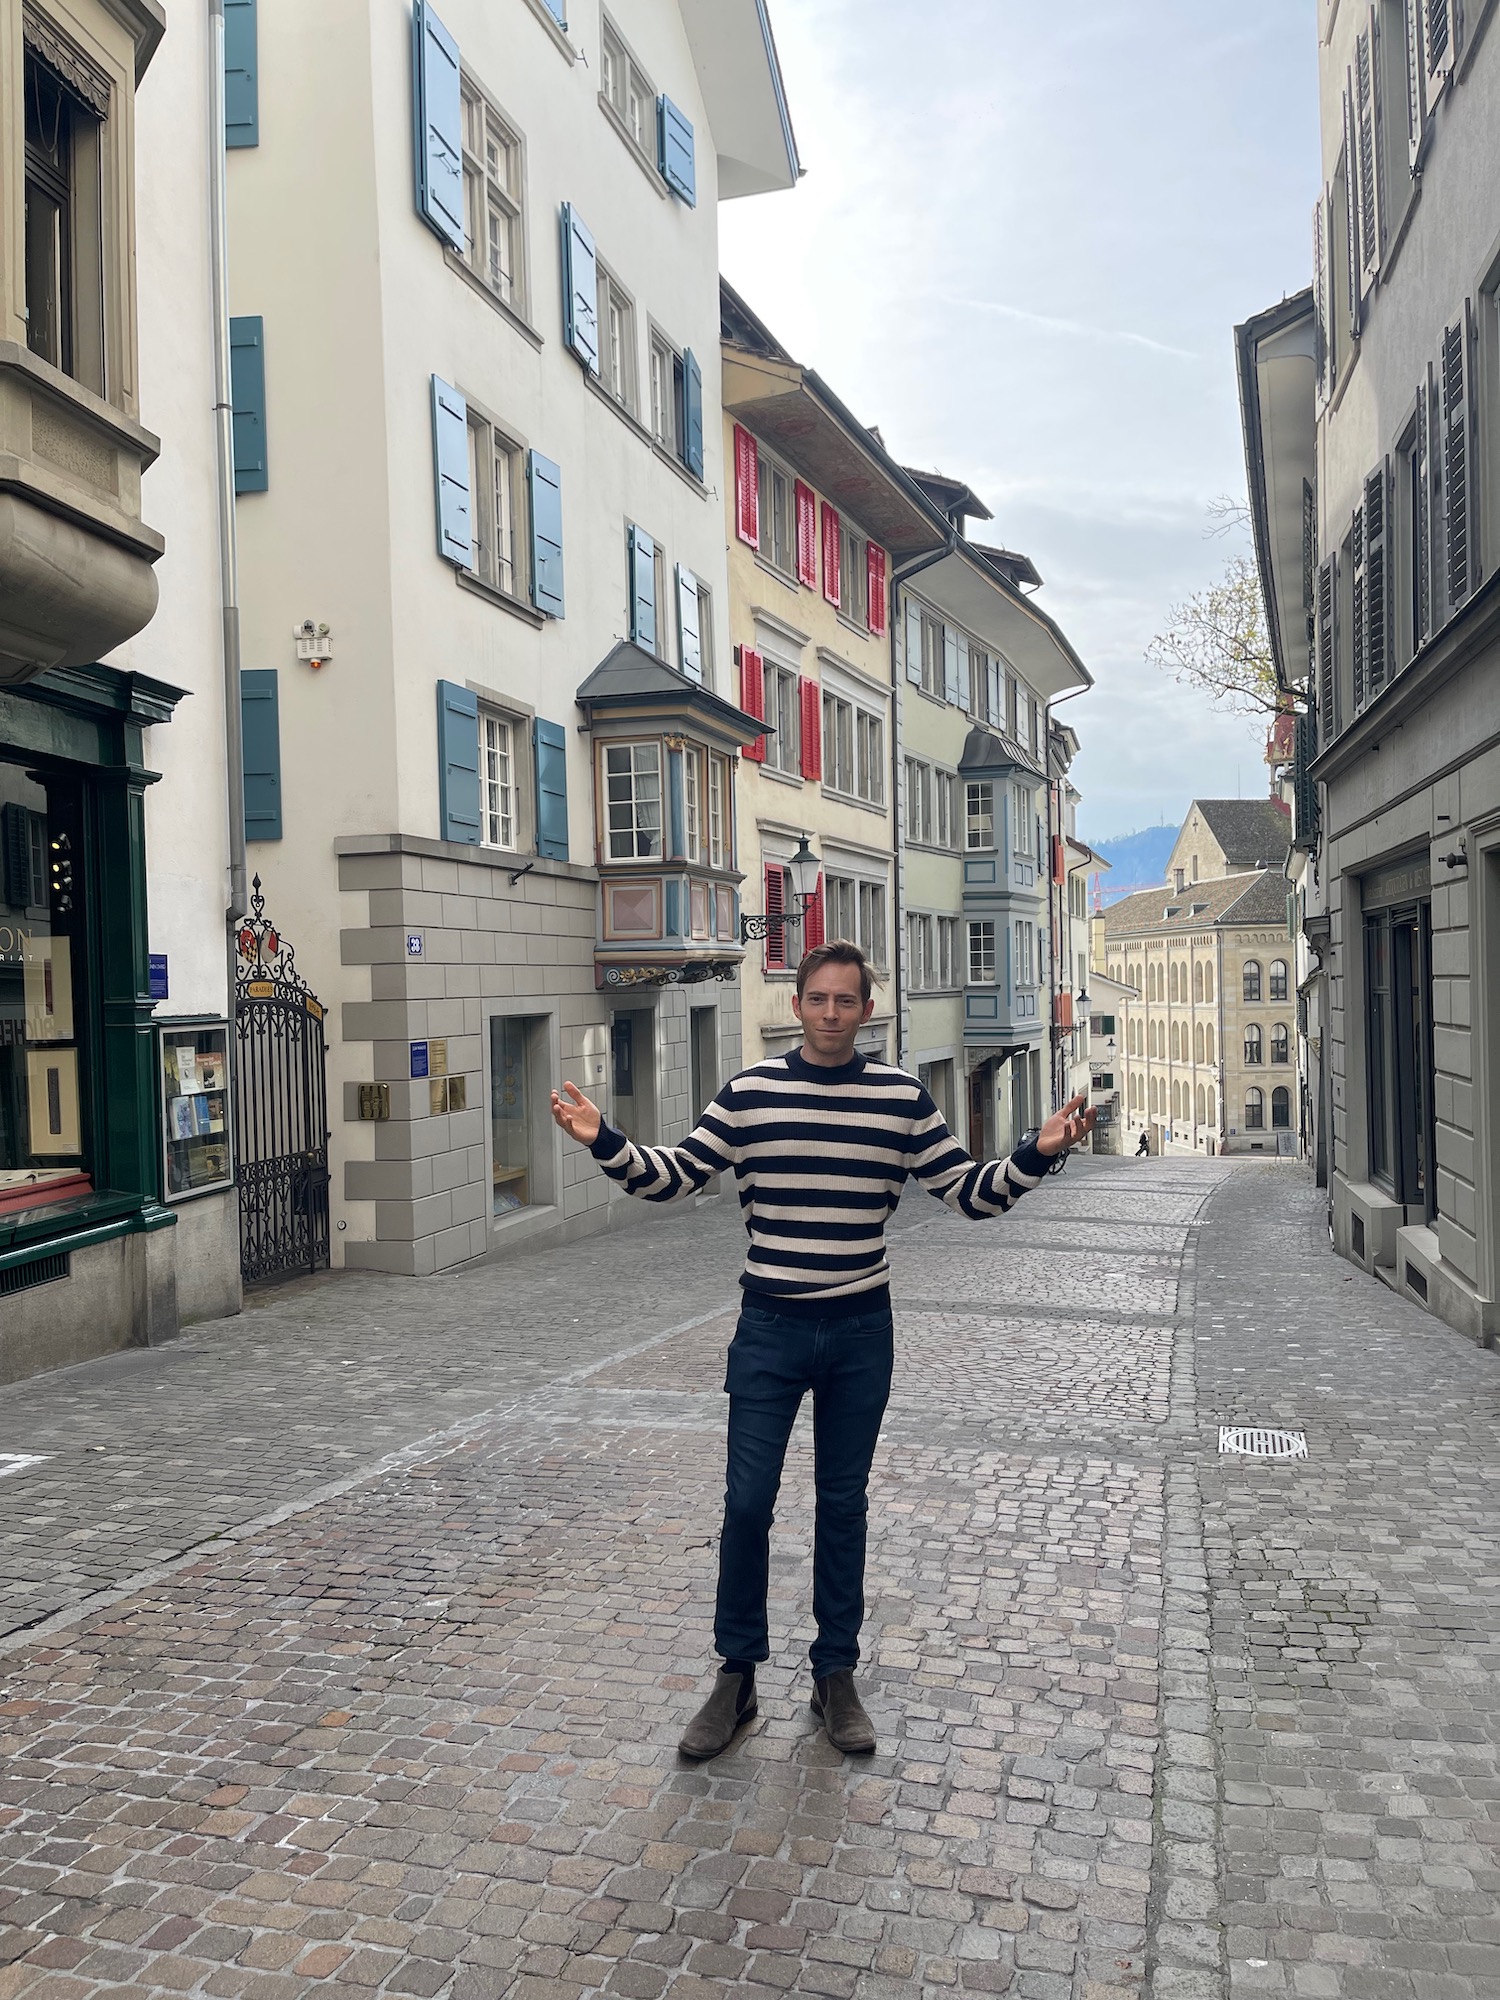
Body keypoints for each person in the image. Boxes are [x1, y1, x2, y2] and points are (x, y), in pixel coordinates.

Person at [551, 940, 1095, 1760]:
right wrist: (604, 1139)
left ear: (865, 1010)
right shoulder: (750, 1093)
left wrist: (1037, 1153)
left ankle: (834, 1674)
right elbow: (675, 1176)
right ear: (797, 1005)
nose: (832, 1014)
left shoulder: (902, 1099)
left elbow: (970, 1195)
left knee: (843, 1507)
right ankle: (735, 1677)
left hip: (858, 1330)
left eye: (847, 1001)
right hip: (768, 1327)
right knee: (746, 1504)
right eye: (818, 1000)